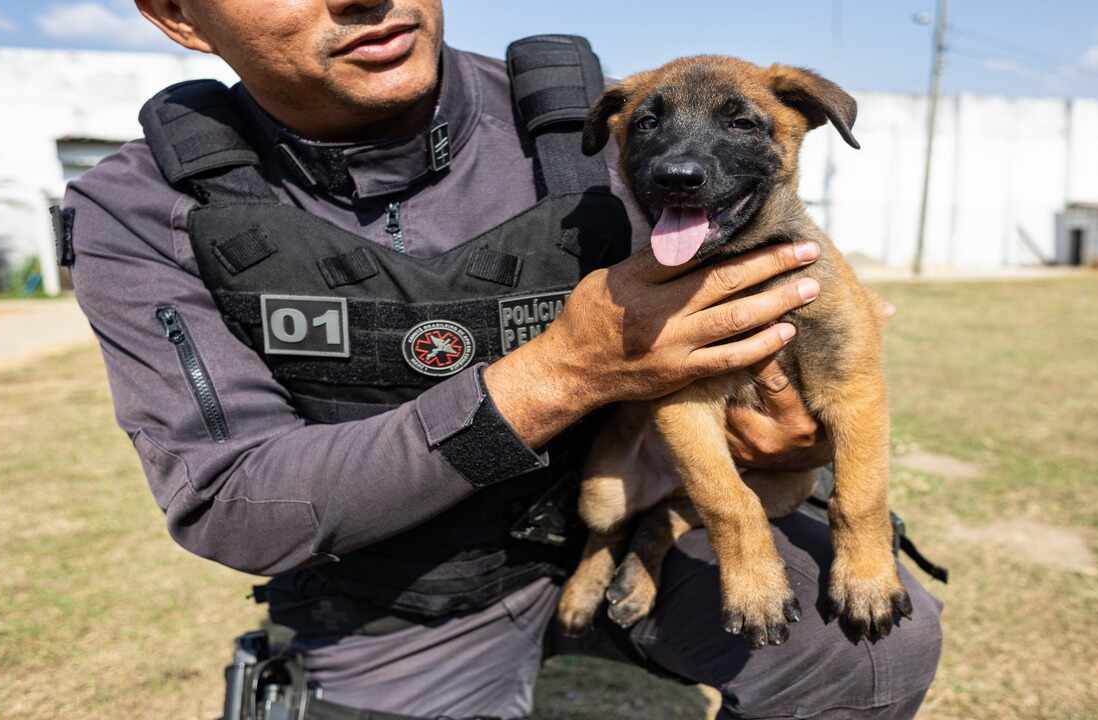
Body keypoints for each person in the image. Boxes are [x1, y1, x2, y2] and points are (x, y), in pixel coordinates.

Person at [59, 1, 943, 718]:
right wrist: (564, 373)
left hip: (639, 507)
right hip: (401, 592)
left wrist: (793, 434)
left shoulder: (603, 120)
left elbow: (787, 325)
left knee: (869, 656)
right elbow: (233, 506)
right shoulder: (146, 208)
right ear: (178, 15)